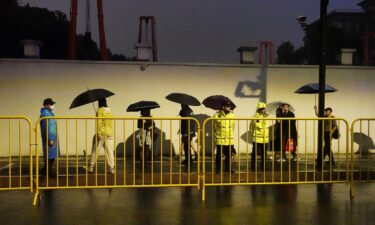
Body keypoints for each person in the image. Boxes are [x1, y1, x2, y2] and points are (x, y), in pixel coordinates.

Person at [83, 98, 115, 174]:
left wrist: (99, 133)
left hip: (101, 133)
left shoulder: (100, 110)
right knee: (110, 152)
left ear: (99, 103)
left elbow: (99, 122)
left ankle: (91, 167)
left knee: (95, 150)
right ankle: (111, 168)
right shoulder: (109, 111)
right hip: (109, 133)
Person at [214, 101, 235, 173]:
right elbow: (214, 126)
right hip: (220, 138)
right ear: (223, 107)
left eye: (229, 106)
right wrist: (216, 135)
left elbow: (233, 126)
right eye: (227, 106)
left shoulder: (232, 115)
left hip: (229, 138)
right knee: (219, 155)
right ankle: (218, 169)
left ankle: (228, 168)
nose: (229, 108)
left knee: (229, 155)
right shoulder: (217, 115)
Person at [40, 98, 59, 178]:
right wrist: (50, 138)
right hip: (50, 138)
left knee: (50, 156)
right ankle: (48, 172)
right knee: (50, 156)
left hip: (51, 137)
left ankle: (45, 170)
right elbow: (47, 127)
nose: (53, 106)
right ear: (46, 105)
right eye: (51, 104)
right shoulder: (46, 114)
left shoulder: (48, 113)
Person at [250, 102, 269, 171]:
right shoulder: (255, 116)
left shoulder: (266, 116)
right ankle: (253, 167)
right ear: (259, 109)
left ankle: (263, 167)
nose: (264, 110)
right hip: (257, 138)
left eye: (265, 108)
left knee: (264, 154)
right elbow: (252, 126)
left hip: (265, 138)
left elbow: (266, 126)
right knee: (254, 154)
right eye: (262, 109)